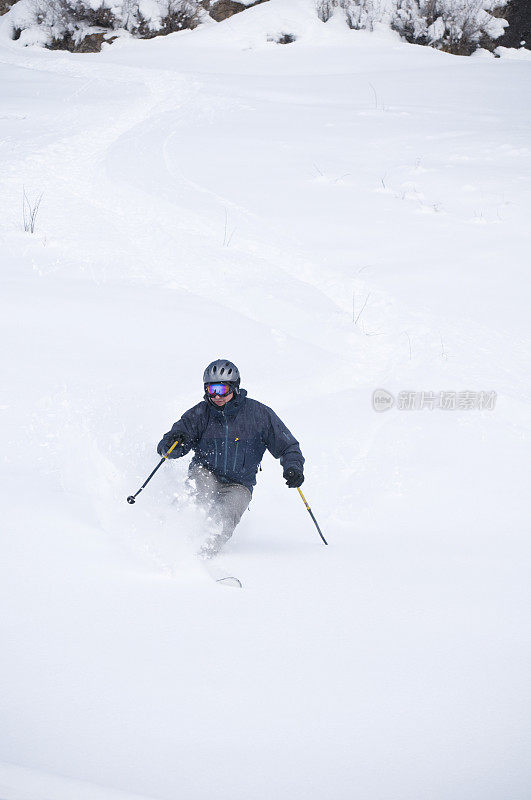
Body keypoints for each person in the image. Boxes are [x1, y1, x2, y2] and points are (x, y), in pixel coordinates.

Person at [157, 359, 304, 558]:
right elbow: (167, 449)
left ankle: (199, 556)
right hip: (206, 472)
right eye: (211, 390)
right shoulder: (199, 414)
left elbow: (288, 446)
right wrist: (173, 443)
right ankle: (167, 541)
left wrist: (293, 467)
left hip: (239, 484)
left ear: (234, 387)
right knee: (198, 497)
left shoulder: (259, 414)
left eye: (222, 389)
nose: (217, 396)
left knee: (224, 518)